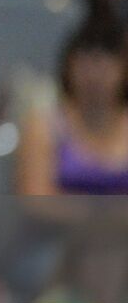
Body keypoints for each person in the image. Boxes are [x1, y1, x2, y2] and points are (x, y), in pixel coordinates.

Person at [18, 14, 128, 196]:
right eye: (85, 65)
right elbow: (35, 200)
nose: (95, 77)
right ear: (68, 67)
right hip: (60, 225)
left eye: (105, 67)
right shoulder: (44, 125)